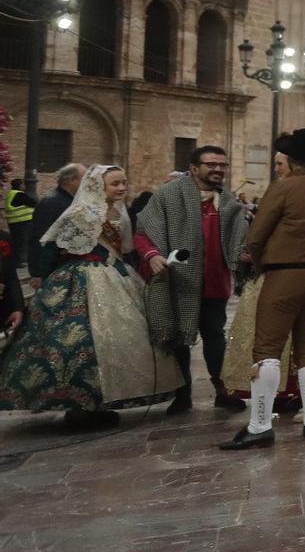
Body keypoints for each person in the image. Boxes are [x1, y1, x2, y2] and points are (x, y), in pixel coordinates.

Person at [0, 164, 177, 429]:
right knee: (80, 343)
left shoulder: (120, 212)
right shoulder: (81, 212)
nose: (121, 188)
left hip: (117, 275)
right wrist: (43, 277)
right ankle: (79, 404)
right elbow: (55, 246)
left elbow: (125, 248)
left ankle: (108, 399)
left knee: (121, 338)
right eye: (115, 183)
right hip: (81, 278)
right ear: (98, 186)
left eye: (123, 183)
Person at [219, 130, 305, 451]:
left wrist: (260, 262)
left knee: (267, 348)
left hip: (286, 275)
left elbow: (256, 235)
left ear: (293, 160)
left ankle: (260, 424)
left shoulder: (284, 189)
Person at [134, 144, 248, 414]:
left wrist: (243, 255)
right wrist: (152, 255)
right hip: (178, 281)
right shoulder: (167, 196)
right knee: (178, 340)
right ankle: (182, 394)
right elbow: (143, 232)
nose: (218, 169)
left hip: (215, 283)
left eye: (223, 164)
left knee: (215, 337)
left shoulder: (229, 202)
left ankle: (223, 390)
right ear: (194, 169)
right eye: (212, 164)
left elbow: (239, 240)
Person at [26, 162, 84, 279]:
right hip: (52, 269)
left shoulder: (68, 201)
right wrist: (37, 273)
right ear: (72, 180)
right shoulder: (52, 202)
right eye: (85, 179)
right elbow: (40, 237)